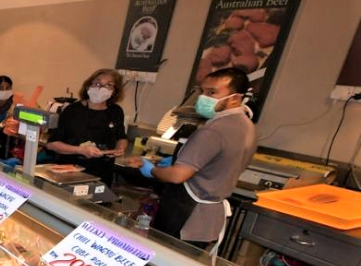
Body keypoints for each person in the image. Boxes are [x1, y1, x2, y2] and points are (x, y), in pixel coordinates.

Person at [138, 67, 257, 251]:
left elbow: (177, 176)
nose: (203, 98)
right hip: (207, 218)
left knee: (166, 260)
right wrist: (180, 161)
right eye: (202, 91)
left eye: (212, 92)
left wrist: (151, 170)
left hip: (186, 215)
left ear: (235, 98)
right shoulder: (248, 126)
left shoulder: (213, 130)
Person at [46, 68, 128, 186]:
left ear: (115, 91)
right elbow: (52, 144)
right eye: (98, 83)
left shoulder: (116, 111)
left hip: (102, 175)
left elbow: (121, 137)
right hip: (70, 172)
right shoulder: (72, 110)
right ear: (88, 85)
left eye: (108, 85)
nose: (102, 88)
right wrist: (80, 150)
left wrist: (120, 148)